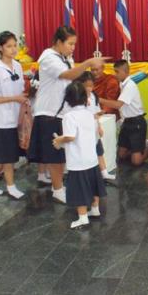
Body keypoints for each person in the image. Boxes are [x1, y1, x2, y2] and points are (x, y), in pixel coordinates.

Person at [29, 26, 108, 204]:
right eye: (70, 44)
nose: (73, 48)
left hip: (62, 113)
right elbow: (68, 75)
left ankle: (58, 186)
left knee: (61, 154)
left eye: (74, 44)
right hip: (49, 113)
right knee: (54, 155)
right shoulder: (48, 57)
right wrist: (88, 63)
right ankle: (57, 190)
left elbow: (73, 79)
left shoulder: (65, 58)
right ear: (59, 42)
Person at [52, 81, 106, 230]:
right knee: (93, 185)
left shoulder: (69, 116)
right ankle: (95, 209)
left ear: (68, 99)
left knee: (79, 189)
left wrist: (58, 140)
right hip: (91, 158)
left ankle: (82, 218)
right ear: (85, 97)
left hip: (78, 161)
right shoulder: (89, 114)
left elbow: (70, 136)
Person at [0, 32, 27, 199]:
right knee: (8, 157)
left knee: (6, 155)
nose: (13, 49)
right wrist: (14, 98)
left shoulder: (17, 66)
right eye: (9, 46)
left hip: (15, 118)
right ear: (0, 48)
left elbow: (20, 89)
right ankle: (11, 187)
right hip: (1, 121)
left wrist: (23, 99)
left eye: (15, 45)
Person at [107, 60, 148, 167]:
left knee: (136, 162)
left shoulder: (130, 86)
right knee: (121, 155)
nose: (115, 74)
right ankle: (136, 149)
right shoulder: (122, 84)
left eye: (117, 72)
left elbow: (118, 105)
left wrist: (99, 100)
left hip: (137, 123)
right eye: (115, 71)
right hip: (127, 122)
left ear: (126, 72)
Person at [75, 71, 116, 182]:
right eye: (86, 86)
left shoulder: (94, 96)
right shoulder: (77, 98)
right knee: (85, 153)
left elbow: (96, 113)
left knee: (99, 151)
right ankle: (86, 174)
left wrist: (99, 127)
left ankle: (104, 173)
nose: (89, 89)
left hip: (94, 130)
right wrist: (91, 117)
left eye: (91, 86)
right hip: (83, 131)